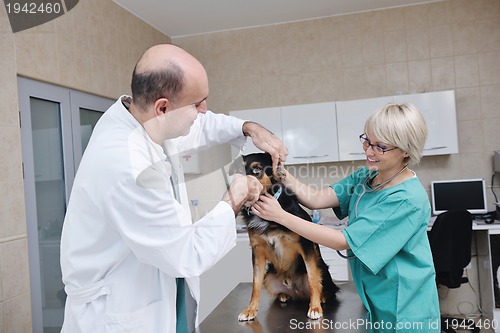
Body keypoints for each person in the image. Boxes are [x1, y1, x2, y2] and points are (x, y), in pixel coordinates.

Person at [60, 44, 287, 333]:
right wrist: (235, 196)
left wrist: (249, 127)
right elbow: (187, 253)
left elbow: (202, 126)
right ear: (163, 107)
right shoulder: (124, 162)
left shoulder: (147, 120)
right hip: (120, 315)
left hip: (159, 292)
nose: (204, 111)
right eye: (198, 103)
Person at [252, 103, 440, 332]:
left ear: (407, 150)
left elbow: (343, 240)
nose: (369, 151)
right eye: (367, 141)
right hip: (374, 296)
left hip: (405, 305)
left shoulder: (406, 198)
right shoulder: (368, 176)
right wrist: (280, 171)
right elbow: (317, 199)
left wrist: (280, 217)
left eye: (380, 147)